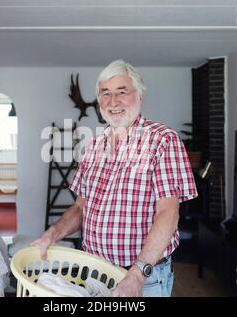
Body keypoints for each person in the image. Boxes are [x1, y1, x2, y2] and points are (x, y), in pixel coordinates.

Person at [31, 59, 198, 297]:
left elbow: (168, 213)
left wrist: (137, 275)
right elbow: (81, 207)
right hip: (96, 273)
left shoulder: (163, 140)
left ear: (140, 96)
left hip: (141, 278)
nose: (113, 101)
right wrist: (52, 234)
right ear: (99, 101)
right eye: (105, 94)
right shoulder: (94, 145)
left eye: (122, 92)